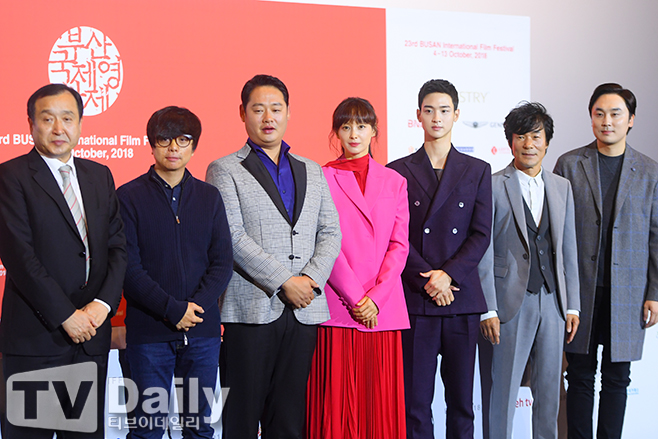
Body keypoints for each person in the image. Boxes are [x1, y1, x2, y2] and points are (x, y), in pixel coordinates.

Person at [205, 74, 341, 438]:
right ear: (243, 113)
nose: (268, 117)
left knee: (290, 419)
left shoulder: (312, 169)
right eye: (258, 109)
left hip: (304, 309)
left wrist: (309, 281)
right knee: (242, 419)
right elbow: (232, 236)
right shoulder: (224, 169)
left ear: (288, 113)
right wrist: (284, 281)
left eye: (276, 109)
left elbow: (330, 232)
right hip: (251, 310)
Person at [0, 83, 127, 438]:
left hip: (90, 341)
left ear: (80, 124)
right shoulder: (10, 177)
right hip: (36, 341)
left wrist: (102, 306)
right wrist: (66, 316)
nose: (59, 128)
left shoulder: (99, 175)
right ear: (31, 124)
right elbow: (20, 257)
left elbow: (117, 248)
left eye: (68, 118)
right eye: (48, 119)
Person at [117, 106, 233, 438]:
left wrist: (194, 308)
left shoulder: (210, 197)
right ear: (151, 144)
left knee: (199, 429)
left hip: (202, 334)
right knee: (147, 429)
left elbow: (222, 262)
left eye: (182, 140)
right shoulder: (128, 196)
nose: (173, 148)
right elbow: (129, 268)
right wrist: (172, 310)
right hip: (149, 335)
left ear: (194, 146)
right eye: (164, 139)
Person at [387, 79, 492, 439]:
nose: (436, 117)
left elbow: (481, 234)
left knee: (462, 402)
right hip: (417, 299)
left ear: (456, 114)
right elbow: (396, 235)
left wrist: (448, 275)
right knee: (415, 403)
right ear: (418, 115)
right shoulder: (398, 170)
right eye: (429, 110)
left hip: (461, 298)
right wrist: (428, 278)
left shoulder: (477, 169)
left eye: (444, 110)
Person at [554, 83, 658, 439]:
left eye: (615, 114)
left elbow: (656, 236)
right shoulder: (569, 164)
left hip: (627, 293)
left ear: (631, 120)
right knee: (579, 375)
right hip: (580, 292)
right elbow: (555, 231)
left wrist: (654, 293)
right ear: (591, 118)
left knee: (617, 378)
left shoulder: (650, 171)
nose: (607, 121)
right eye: (599, 114)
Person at [306, 97, 410, 438]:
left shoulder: (394, 181)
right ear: (336, 132)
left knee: (378, 406)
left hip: (382, 311)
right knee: (338, 406)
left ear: (374, 130)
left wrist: (375, 299)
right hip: (338, 306)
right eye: (346, 126)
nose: (354, 134)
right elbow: (324, 242)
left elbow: (399, 245)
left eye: (362, 126)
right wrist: (356, 297)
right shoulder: (321, 177)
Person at [478, 102, 580, 439]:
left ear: (547, 141)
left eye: (536, 136)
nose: (528, 144)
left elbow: (568, 250)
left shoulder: (562, 187)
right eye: (521, 136)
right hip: (509, 304)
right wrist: (488, 308)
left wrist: (572, 305)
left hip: (553, 302)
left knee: (550, 392)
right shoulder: (492, 185)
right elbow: (484, 251)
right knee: (503, 391)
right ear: (511, 142)